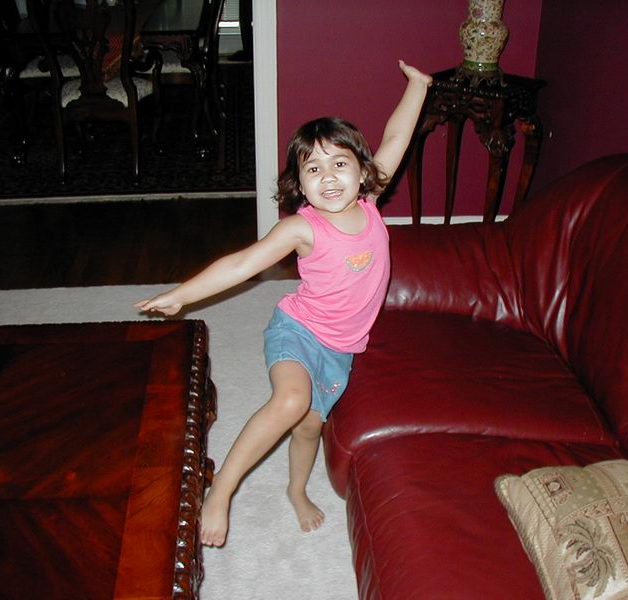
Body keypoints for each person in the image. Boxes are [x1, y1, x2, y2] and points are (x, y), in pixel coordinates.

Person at [134, 60, 432, 547]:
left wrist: (418, 87)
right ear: (300, 183)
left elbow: (397, 137)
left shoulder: (370, 203)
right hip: (298, 330)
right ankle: (220, 490)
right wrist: (181, 295)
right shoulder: (301, 228)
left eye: (340, 164)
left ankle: (296, 490)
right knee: (290, 401)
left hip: (340, 348)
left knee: (309, 427)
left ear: (363, 172)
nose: (328, 176)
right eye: (313, 168)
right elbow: (242, 264)